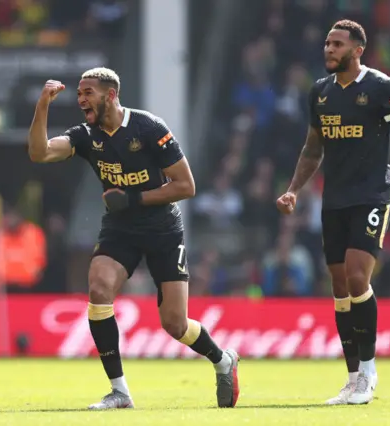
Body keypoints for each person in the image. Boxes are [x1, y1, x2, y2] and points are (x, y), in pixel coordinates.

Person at [27, 67, 240, 410]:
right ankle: (120, 392)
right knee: (98, 290)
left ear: (110, 95)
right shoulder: (85, 134)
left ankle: (222, 360)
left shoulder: (148, 127)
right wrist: (42, 105)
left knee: (174, 324)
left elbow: (186, 186)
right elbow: (40, 153)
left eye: (88, 93)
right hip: (120, 228)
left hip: (162, 230)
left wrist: (134, 199)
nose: (81, 99)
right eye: (79, 93)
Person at [276, 20, 390, 405]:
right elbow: (313, 148)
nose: (329, 49)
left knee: (358, 276)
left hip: (373, 195)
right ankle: (350, 378)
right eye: (327, 43)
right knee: (340, 287)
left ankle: (368, 369)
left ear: (357, 50)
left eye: (337, 44)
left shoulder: (382, 88)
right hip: (336, 199)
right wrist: (293, 189)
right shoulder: (320, 93)